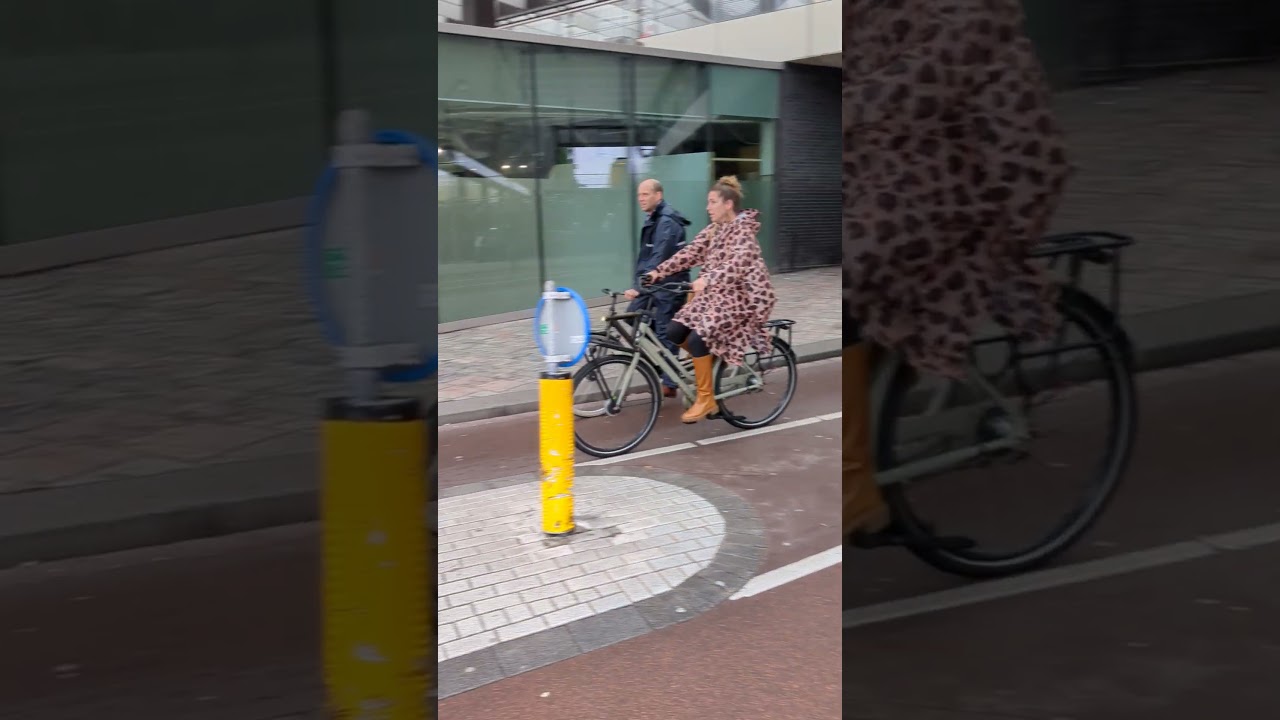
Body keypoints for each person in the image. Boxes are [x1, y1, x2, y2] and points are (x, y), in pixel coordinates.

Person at [842, 0, 1072, 544]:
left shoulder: (975, 10)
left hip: (963, 187)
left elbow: (931, 74)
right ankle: (867, 439)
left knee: (848, 277)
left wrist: (853, 105)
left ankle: (854, 494)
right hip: (894, 171)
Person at [644, 176, 777, 424]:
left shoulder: (744, 232)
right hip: (715, 297)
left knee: (698, 339)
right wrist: (657, 272)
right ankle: (709, 360)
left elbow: (736, 264)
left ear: (728, 204)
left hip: (740, 300)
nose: (708, 207)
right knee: (674, 330)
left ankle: (706, 399)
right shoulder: (715, 229)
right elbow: (690, 253)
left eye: (712, 202)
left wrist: (708, 278)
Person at [624, 178, 692, 398]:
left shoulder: (666, 222)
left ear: (658, 195)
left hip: (670, 286)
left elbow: (658, 258)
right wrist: (639, 286)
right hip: (655, 285)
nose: (640, 198)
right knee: (633, 317)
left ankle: (670, 382)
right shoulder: (654, 218)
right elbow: (645, 259)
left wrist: (639, 287)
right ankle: (663, 359)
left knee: (664, 331)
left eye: (645, 194)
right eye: (639, 195)